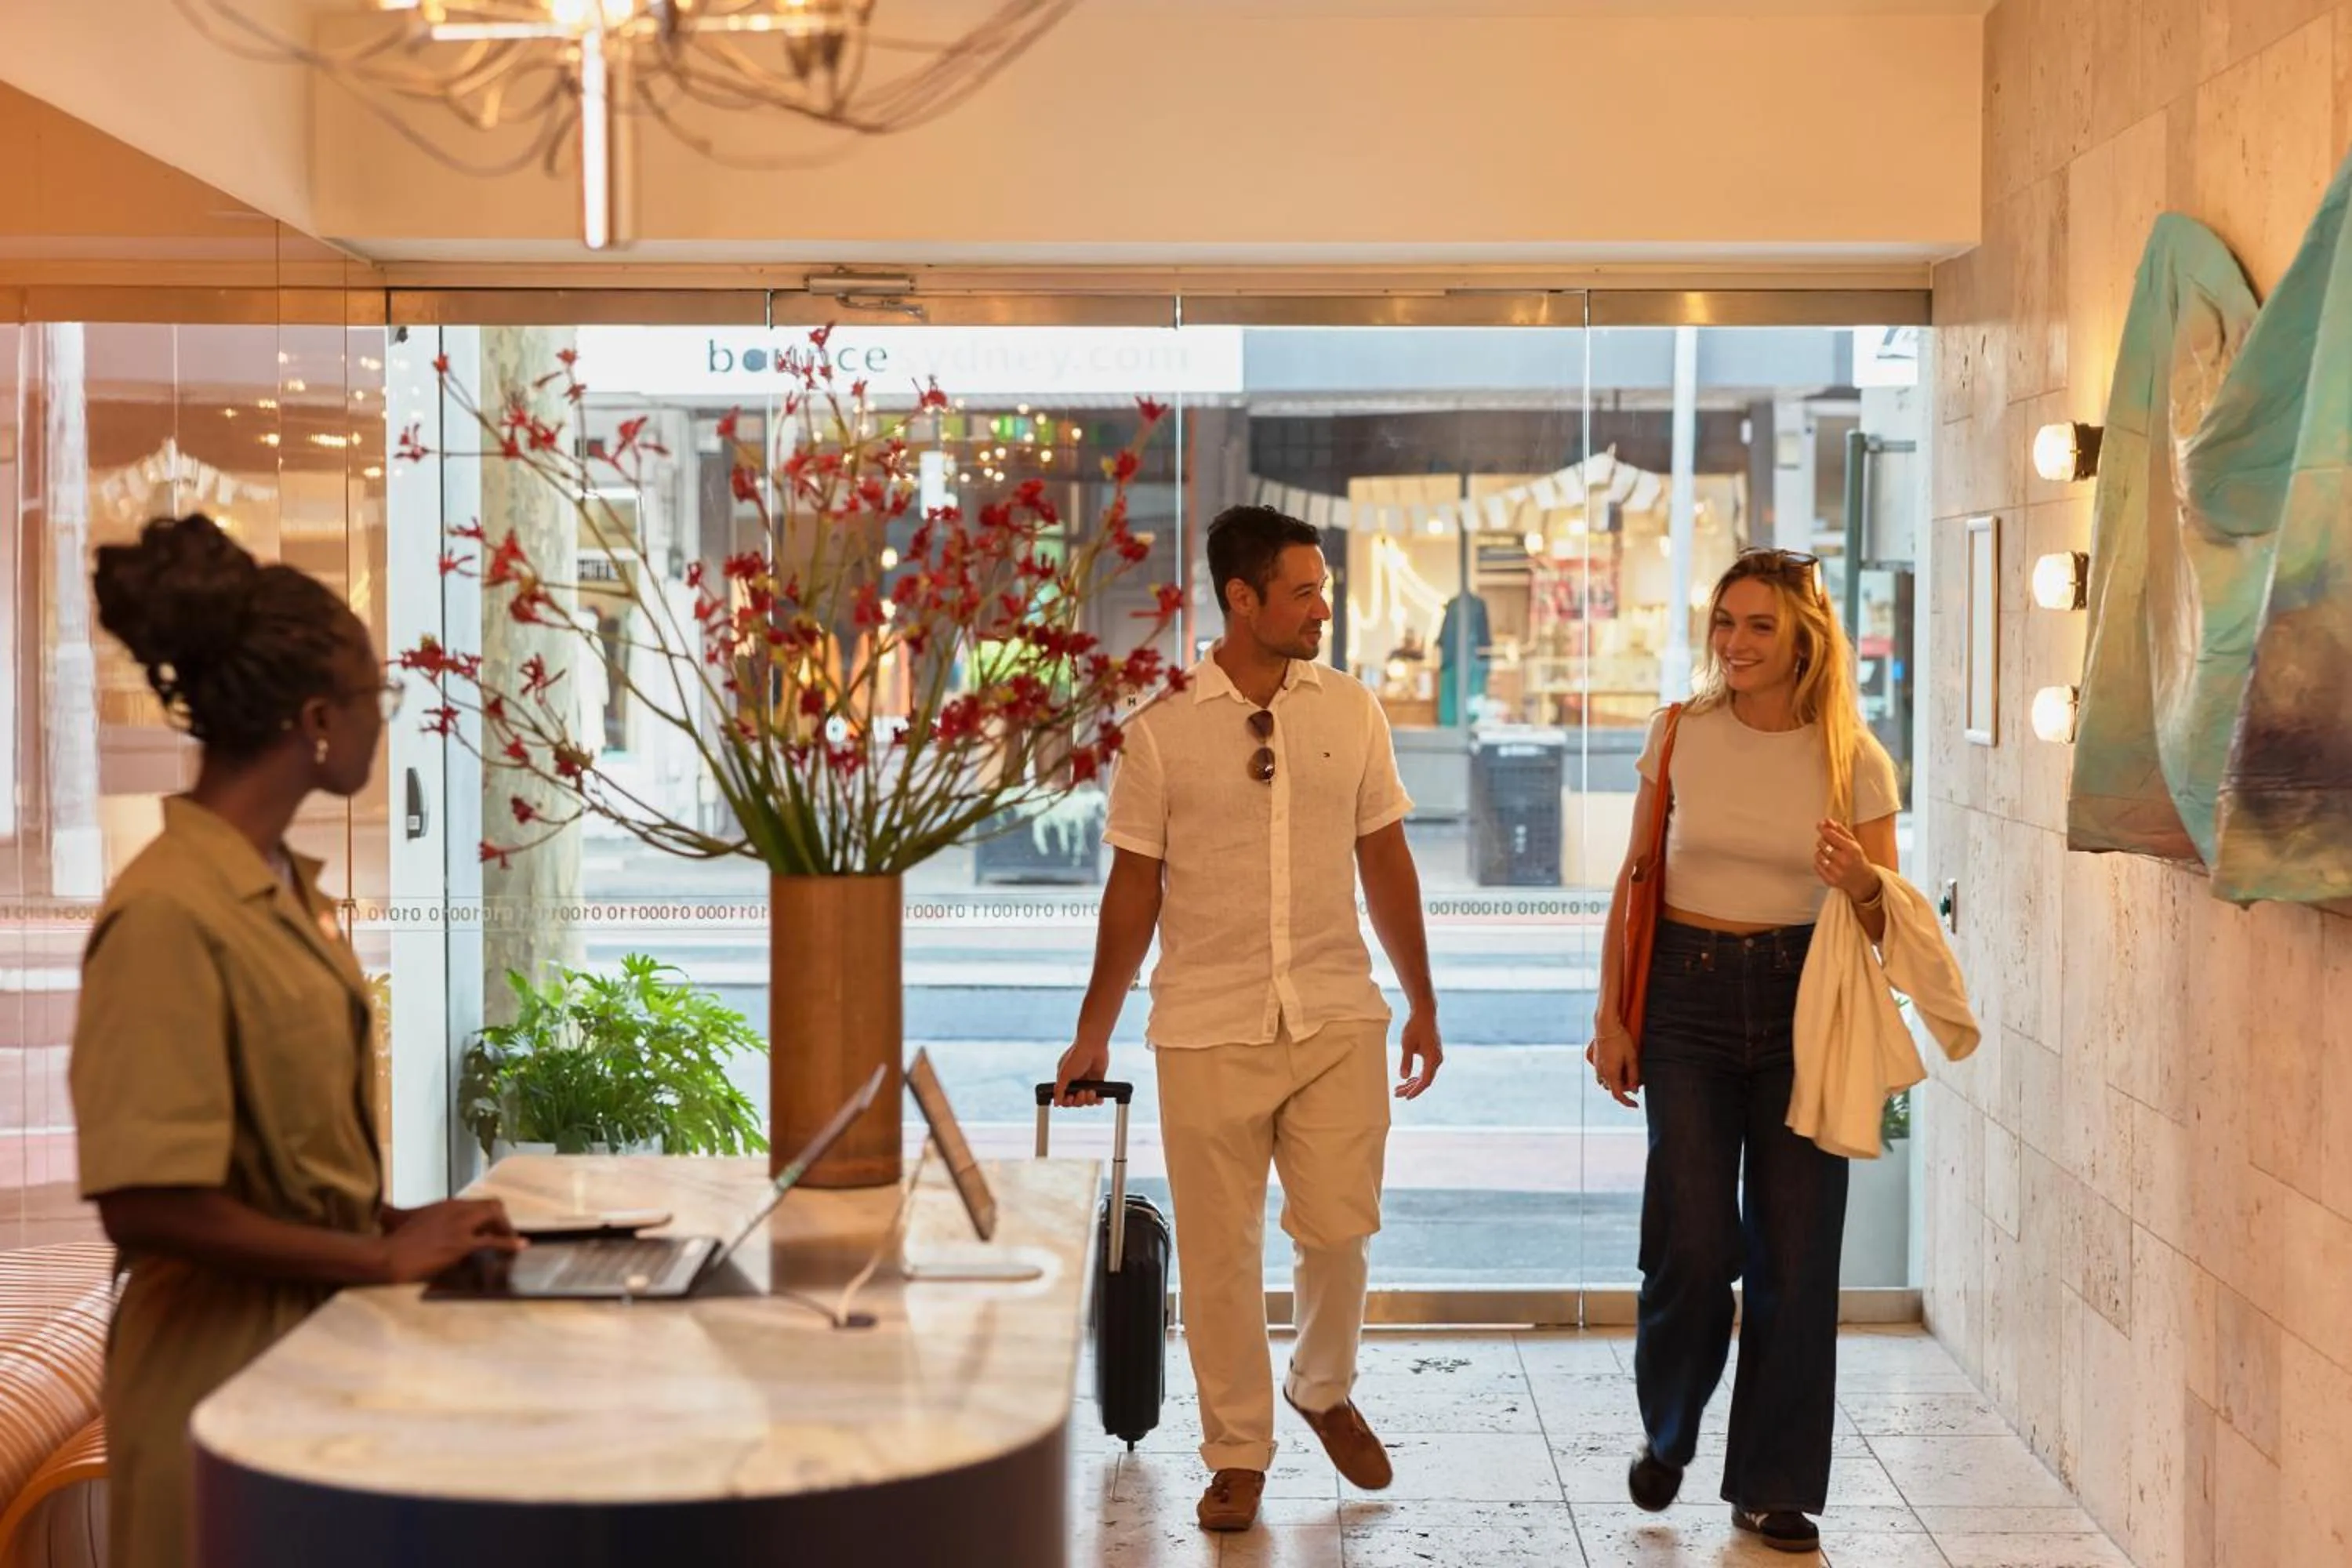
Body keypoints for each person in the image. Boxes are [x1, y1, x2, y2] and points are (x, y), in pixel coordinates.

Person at [73, 514, 524, 1568]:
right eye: (380, 698)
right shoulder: (170, 914)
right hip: (216, 1392)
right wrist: (375, 1254)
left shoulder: (282, 891)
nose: (386, 721)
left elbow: (283, 1161)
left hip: (307, 1363)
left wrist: (409, 1219)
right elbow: (146, 1201)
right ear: (319, 719)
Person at [1054, 505, 1443, 1534]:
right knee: (1221, 1253)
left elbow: (1386, 861)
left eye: (1323, 590)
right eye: (1306, 591)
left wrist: (1422, 1001)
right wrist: (1094, 1029)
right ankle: (1237, 1451)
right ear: (1242, 597)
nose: (1325, 607)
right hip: (1204, 1022)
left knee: (1341, 1230)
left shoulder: (1352, 710)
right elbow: (1132, 887)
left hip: (1334, 1014)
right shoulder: (1162, 725)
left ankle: (1321, 1386)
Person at [1588, 546, 1901, 1557]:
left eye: (1760, 625)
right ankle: (1669, 1430)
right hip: (1683, 993)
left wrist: (1858, 878)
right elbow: (1637, 879)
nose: (1735, 642)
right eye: (1725, 621)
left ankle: (1772, 1485)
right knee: (1694, 1237)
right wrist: (1612, 1015)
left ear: (1804, 635)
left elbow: (1889, 923)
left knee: (1798, 1254)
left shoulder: (1855, 755)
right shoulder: (1679, 734)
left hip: (1804, 999)